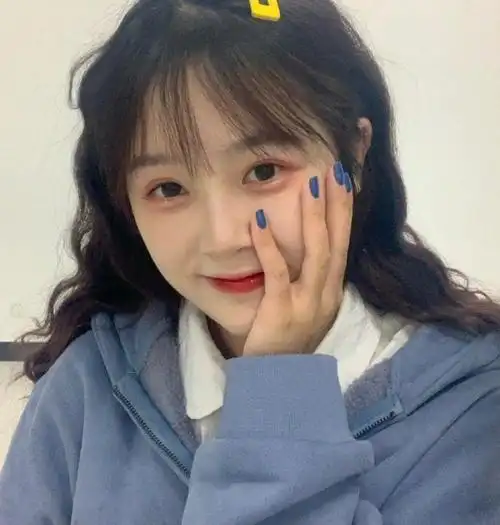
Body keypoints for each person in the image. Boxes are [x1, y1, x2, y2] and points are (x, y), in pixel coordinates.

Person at [1, 0, 500, 523]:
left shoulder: (471, 413)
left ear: (353, 155)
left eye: (264, 172)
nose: (223, 238)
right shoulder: (85, 389)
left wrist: (277, 388)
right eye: (168, 188)